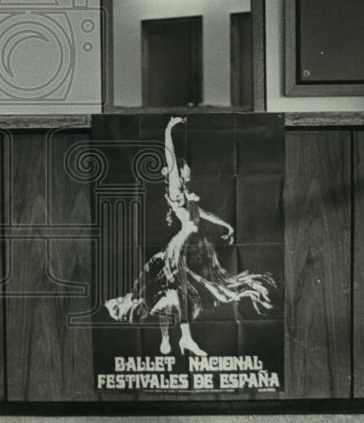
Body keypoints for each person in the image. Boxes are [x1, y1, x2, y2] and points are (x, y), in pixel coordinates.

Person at [104, 116, 275, 357]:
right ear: (180, 170)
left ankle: (176, 338)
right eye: (185, 168)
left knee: (191, 290)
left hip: (196, 244)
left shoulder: (186, 193)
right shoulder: (174, 189)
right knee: (181, 289)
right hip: (184, 245)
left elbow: (201, 214)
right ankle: (183, 339)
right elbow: (170, 159)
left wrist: (225, 225)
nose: (189, 171)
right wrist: (168, 129)